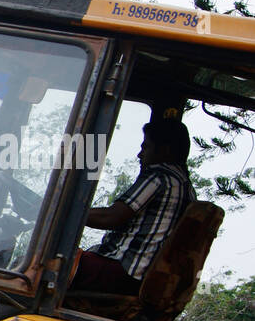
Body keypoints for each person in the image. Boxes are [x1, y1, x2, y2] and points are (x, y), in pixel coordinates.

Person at [70, 116, 195, 295]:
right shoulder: (185, 186)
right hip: (137, 276)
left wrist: (64, 212)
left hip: (122, 270)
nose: (140, 154)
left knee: (41, 262)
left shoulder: (159, 177)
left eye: (146, 147)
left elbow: (111, 217)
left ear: (165, 150)